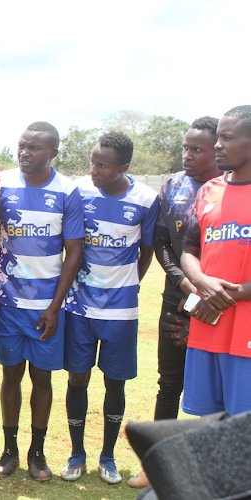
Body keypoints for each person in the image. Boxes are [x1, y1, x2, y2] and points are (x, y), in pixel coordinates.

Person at [60, 132, 159, 484]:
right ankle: (76, 454)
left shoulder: (146, 199)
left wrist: (127, 285)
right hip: (79, 307)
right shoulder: (79, 191)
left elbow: (146, 252)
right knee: (77, 378)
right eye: (92, 162)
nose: (93, 170)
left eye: (102, 165)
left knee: (115, 383)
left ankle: (107, 456)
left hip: (121, 311)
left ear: (123, 167)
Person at [128, 116, 221, 489]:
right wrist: (184, 282)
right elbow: (163, 243)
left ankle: (212, 469)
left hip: (222, 305)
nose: (188, 155)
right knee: (169, 384)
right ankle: (155, 468)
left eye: (197, 149)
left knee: (217, 390)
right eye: (185, 147)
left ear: (217, 150)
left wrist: (212, 292)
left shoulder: (226, 190)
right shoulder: (172, 186)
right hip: (178, 299)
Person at [0, 122, 84, 482]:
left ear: (53, 152)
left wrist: (55, 305)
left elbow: (74, 251)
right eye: (22, 146)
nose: (25, 153)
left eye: (34, 148)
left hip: (46, 306)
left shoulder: (67, 191)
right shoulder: (3, 183)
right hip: (7, 303)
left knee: (42, 377)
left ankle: (37, 453)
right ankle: (9, 450)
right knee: (10, 373)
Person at [180, 105, 251, 418]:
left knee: (243, 430)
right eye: (218, 137)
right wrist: (202, 283)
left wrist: (222, 296)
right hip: (208, 327)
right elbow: (188, 250)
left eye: (227, 138)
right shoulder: (210, 190)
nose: (218, 145)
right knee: (209, 425)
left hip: (244, 333)